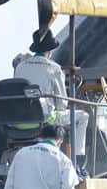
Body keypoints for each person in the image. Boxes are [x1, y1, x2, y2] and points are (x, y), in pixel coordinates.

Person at [13, 28, 89, 166]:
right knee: (83, 117)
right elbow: (62, 104)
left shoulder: (20, 67)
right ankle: (78, 161)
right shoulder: (54, 69)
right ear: (50, 51)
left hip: (18, 121)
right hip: (43, 121)